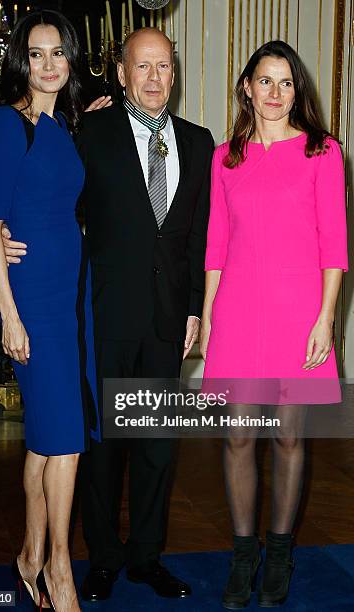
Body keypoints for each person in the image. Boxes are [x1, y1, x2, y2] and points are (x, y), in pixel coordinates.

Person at [3, 27, 215, 603]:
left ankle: (147, 557)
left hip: (169, 319)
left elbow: (196, 240)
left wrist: (196, 309)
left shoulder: (200, 143)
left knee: (156, 447)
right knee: (99, 449)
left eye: (163, 67)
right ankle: (101, 558)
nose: (153, 78)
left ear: (174, 73)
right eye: (141, 67)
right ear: (121, 74)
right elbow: (45, 197)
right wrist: (5, 240)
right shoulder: (87, 131)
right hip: (98, 315)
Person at [200, 40, 348, 609]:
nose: (276, 93)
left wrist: (325, 320)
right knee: (239, 435)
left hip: (298, 314)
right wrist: (210, 318)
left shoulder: (322, 151)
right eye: (265, 81)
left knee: (287, 435)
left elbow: (333, 245)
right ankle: (244, 554)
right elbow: (216, 243)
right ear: (246, 86)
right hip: (238, 311)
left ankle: (280, 553)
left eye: (286, 83)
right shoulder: (224, 157)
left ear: (298, 90)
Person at [0, 10, 110, 612]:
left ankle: (30, 556)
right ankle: (60, 569)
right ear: (21, 63)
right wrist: (9, 315)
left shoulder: (67, 125)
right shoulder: (11, 124)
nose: (50, 63)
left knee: (49, 437)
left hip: (72, 292)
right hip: (32, 298)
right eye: (37, 54)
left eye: (59, 52)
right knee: (65, 441)